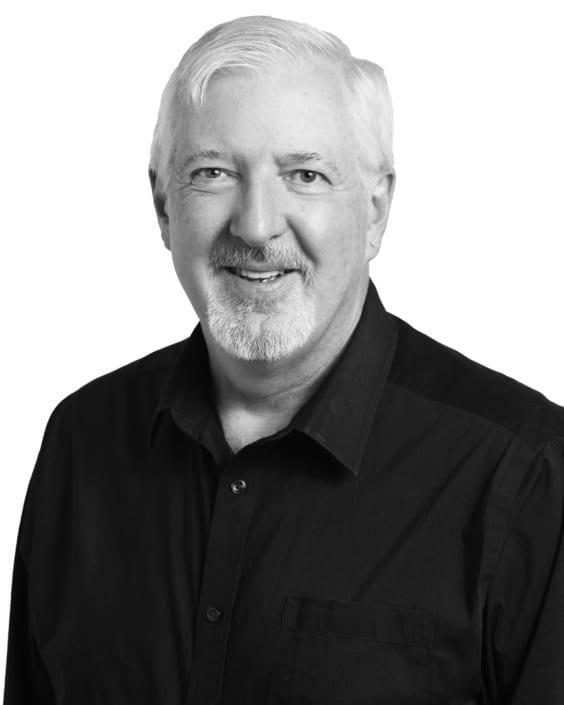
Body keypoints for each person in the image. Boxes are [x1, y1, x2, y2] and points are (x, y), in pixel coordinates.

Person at [3, 14, 564, 705]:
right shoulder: (82, 441)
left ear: (376, 209)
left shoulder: (526, 476)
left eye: (305, 174)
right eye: (213, 172)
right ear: (163, 205)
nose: (257, 225)